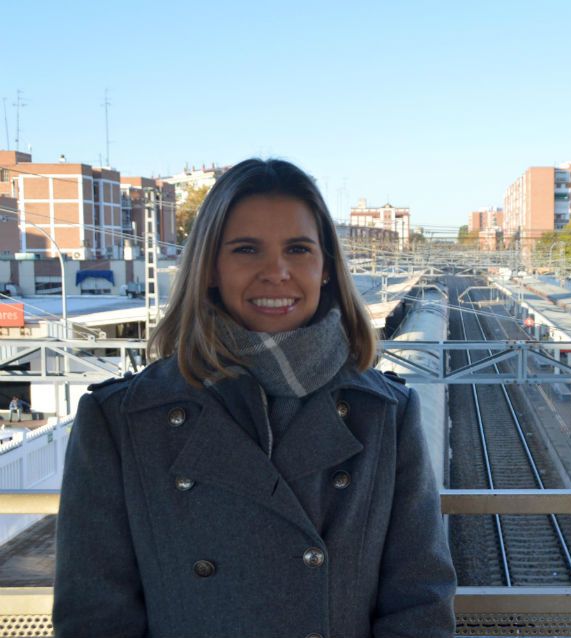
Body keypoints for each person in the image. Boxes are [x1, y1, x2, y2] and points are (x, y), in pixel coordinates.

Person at [54, 159, 457, 637]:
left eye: (298, 249)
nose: (276, 272)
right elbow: (95, 621)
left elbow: (419, 604)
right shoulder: (120, 421)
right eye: (247, 250)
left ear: (325, 268)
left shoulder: (385, 415)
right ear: (209, 269)